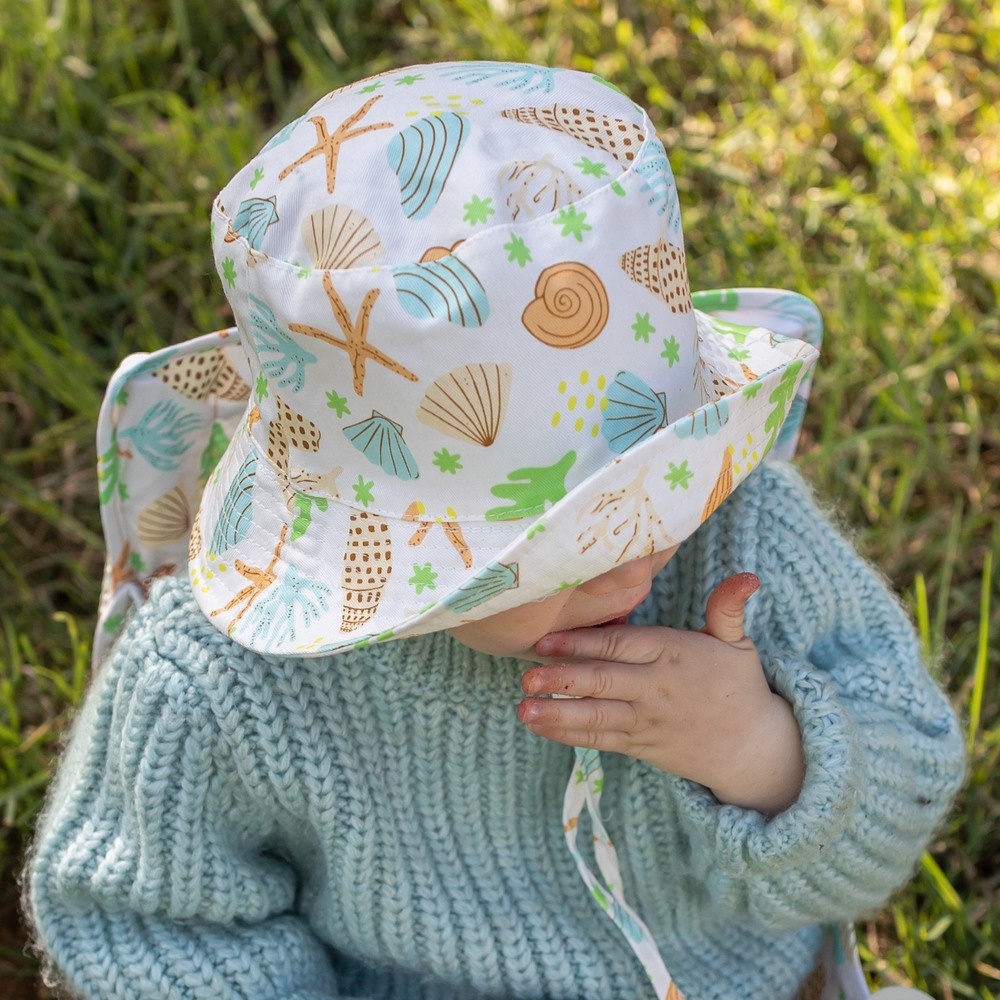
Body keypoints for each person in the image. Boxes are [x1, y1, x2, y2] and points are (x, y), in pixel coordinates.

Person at [25, 62, 964, 1000]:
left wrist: (760, 748)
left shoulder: (743, 542)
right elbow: (145, 925)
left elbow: (900, 790)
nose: (636, 547)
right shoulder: (221, 685)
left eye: (654, 490)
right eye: (561, 545)